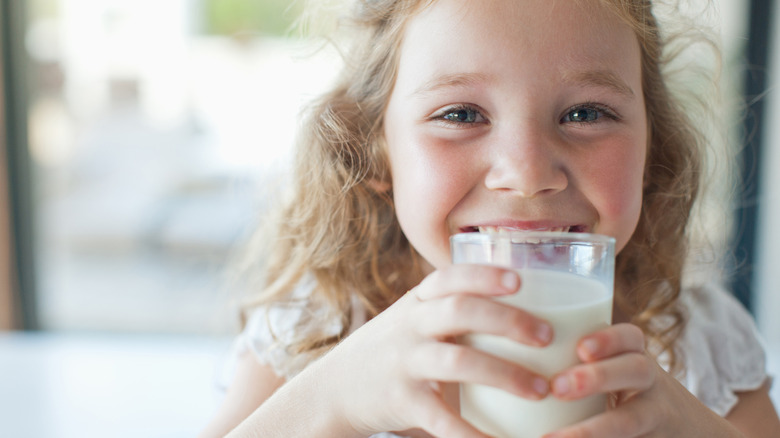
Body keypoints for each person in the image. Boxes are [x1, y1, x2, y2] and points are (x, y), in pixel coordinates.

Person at [199, 0, 780, 437]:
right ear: (373, 150)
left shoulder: (694, 341)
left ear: (652, 147)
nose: (527, 174)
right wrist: (333, 399)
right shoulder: (318, 328)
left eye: (585, 112)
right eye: (460, 114)